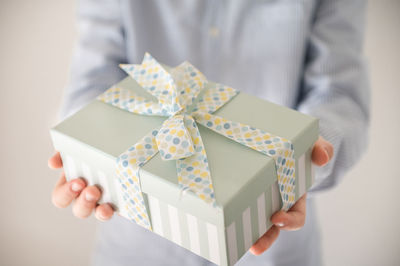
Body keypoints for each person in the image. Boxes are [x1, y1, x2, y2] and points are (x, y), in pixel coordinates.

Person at [48, 0, 369, 265]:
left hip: (272, 242)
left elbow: (339, 95)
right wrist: (86, 156)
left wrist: (303, 164)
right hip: (137, 243)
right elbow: (91, 84)